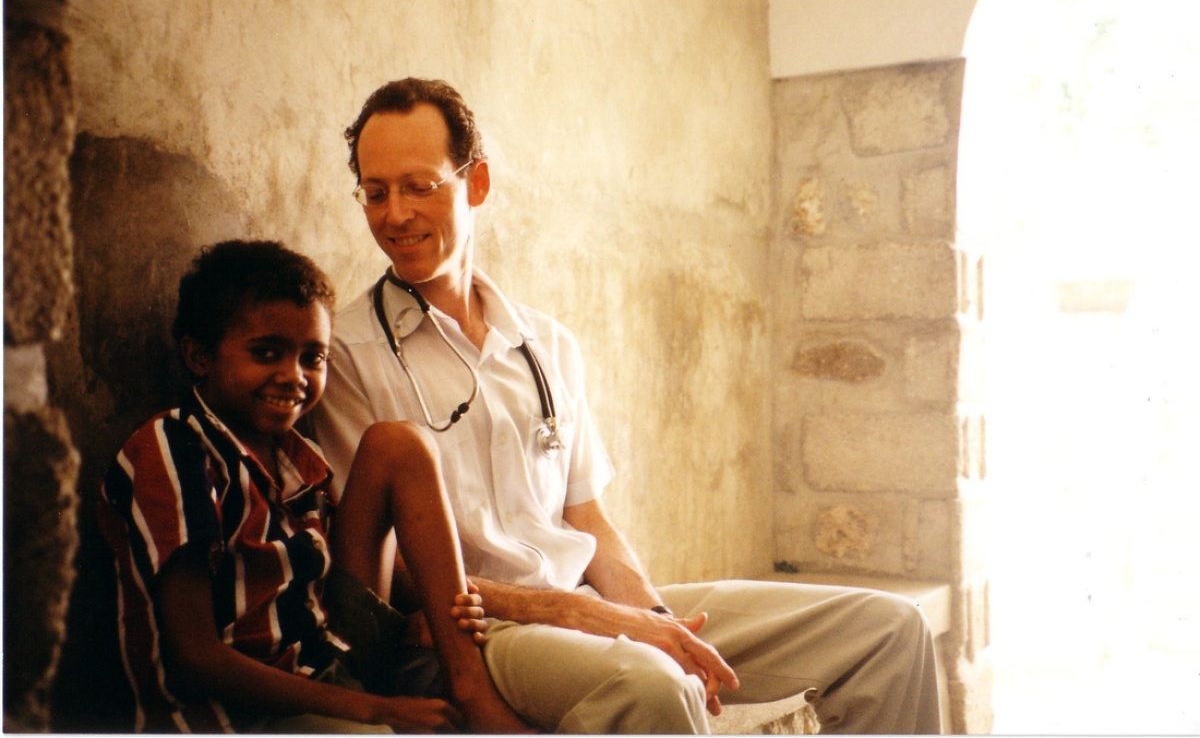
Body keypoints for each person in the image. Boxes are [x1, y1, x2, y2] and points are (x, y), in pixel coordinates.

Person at [309, 78, 944, 734]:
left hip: (584, 608)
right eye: (375, 192)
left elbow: (589, 521)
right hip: (480, 636)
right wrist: (598, 620)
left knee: (889, 632)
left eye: (419, 186)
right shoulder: (348, 356)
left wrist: (660, 624)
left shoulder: (545, 344)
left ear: (476, 184)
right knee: (653, 687)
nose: (395, 214)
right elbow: (399, 576)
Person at [96, 239, 528, 733]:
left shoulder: (299, 457)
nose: (293, 376)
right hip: (241, 713)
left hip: (330, 664)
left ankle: (466, 682)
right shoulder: (173, 449)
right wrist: (376, 709)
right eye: (267, 353)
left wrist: (438, 606)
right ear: (199, 356)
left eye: (312, 358)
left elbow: (335, 582)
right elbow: (196, 657)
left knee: (398, 444)